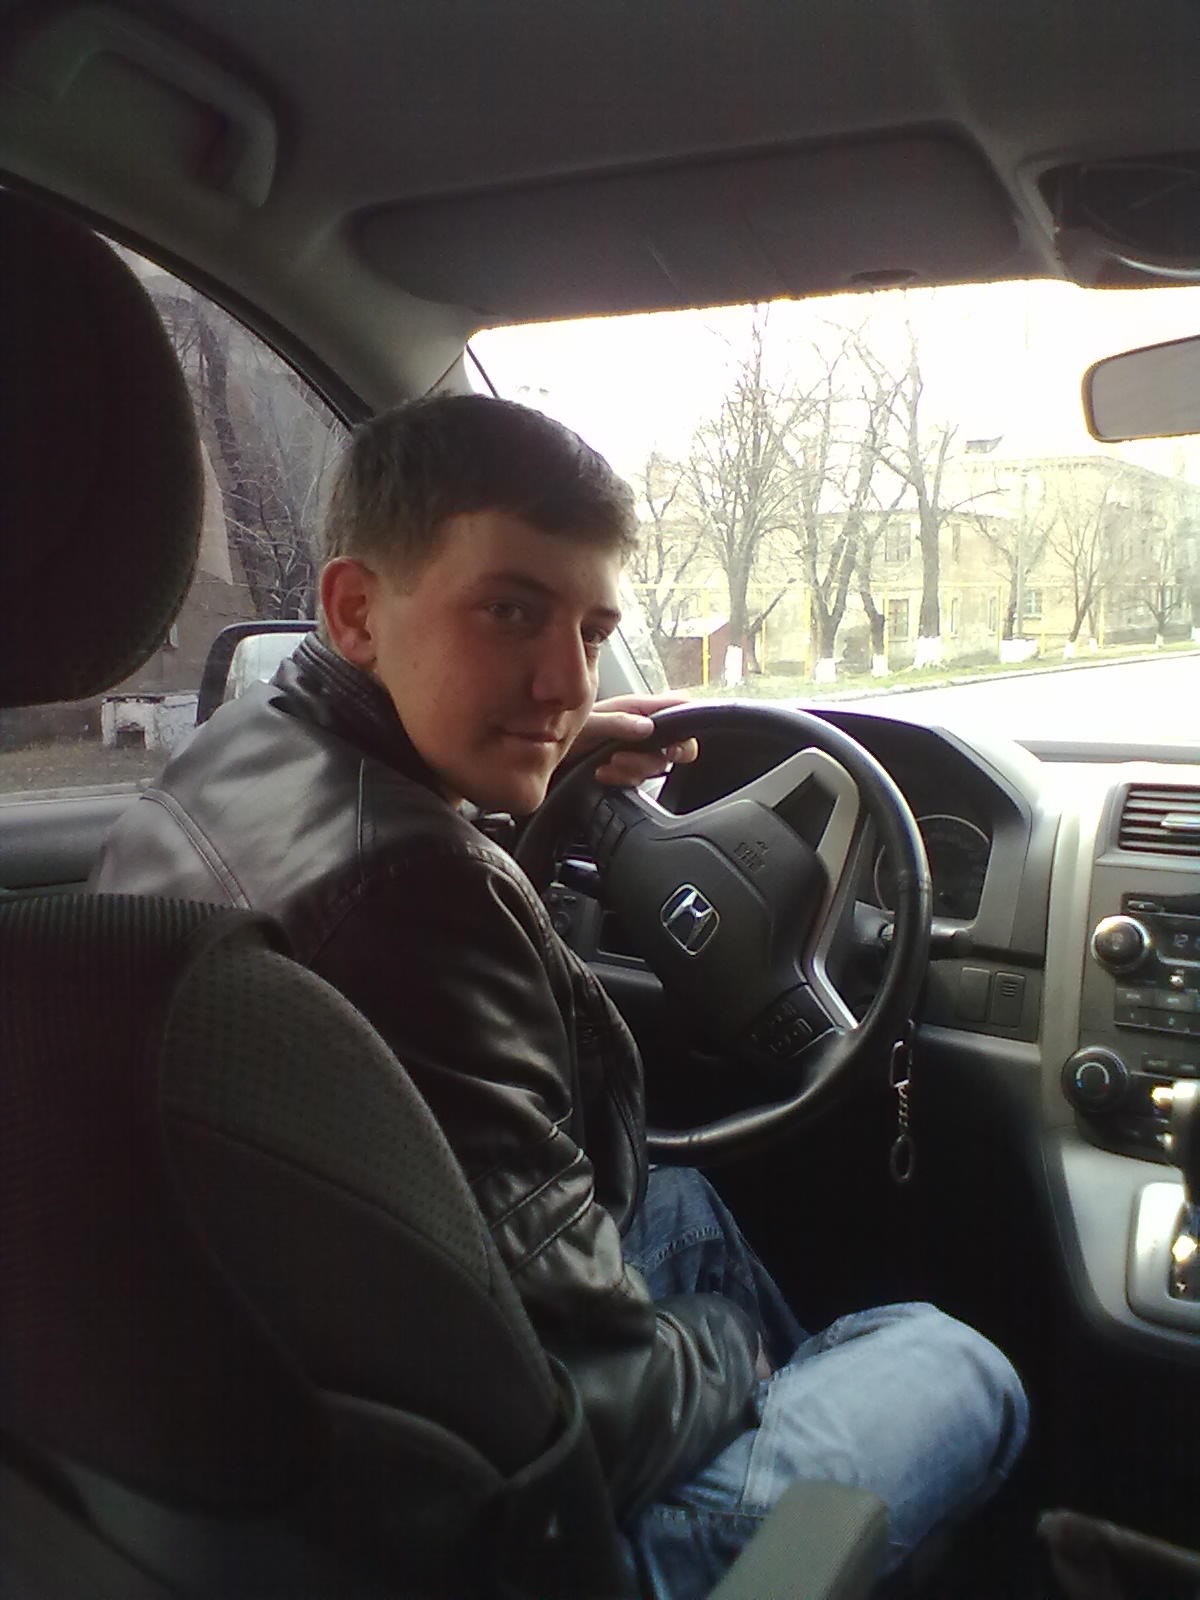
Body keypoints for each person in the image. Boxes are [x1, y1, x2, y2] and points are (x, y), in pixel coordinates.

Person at [92, 394, 1028, 1595]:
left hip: (279, 1410)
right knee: (950, 1359)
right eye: (512, 612)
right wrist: (730, 1351)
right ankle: (794, 1524)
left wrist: (539, 759)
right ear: (356, 609)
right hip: (510, 1537)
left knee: (681, 1202)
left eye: (592, 631)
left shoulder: (241, 746)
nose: (565, 681)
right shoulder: (415, 895)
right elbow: (594, 1411)